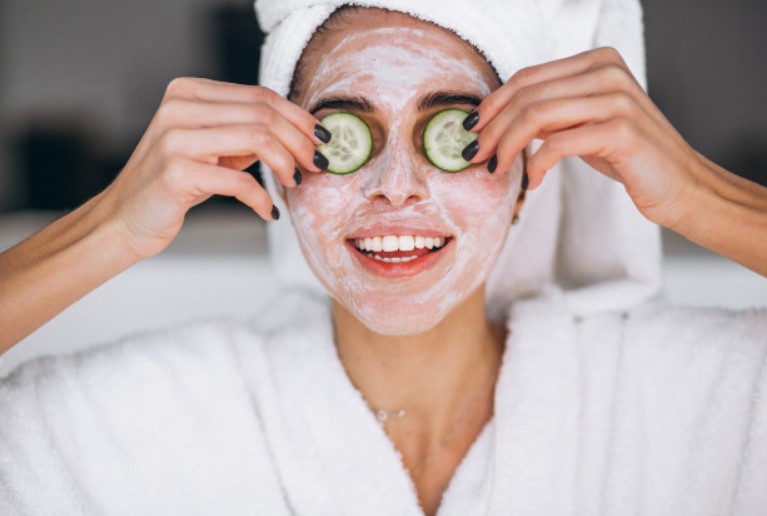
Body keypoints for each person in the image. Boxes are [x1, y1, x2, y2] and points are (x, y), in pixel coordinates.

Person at [1, 0, 766, 514]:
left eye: (456, 136)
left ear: (526, 183)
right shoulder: (144, 419)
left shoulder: (692, 395)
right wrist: (111, 226)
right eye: (340, 135)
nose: (395, 189)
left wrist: (700, 197)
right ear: (278, 169)